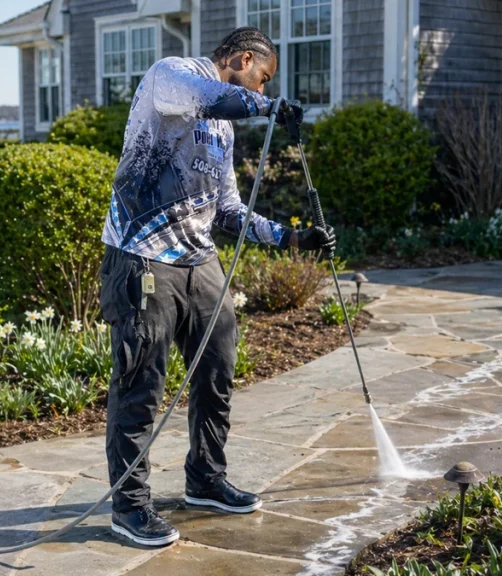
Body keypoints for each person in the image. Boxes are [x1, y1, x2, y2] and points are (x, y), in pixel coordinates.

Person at [98, 26, 337, 547]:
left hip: (198, 262)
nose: (263, 91)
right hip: (142, 256)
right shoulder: (174, 76)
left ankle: (205, 479)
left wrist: (292, 237)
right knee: (141, 383)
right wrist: (263, 109)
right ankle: (129, 506)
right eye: (263, 79)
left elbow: (227, 210)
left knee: (217, 371)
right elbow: (211, 97)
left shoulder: (224, 129)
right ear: (244, 58)